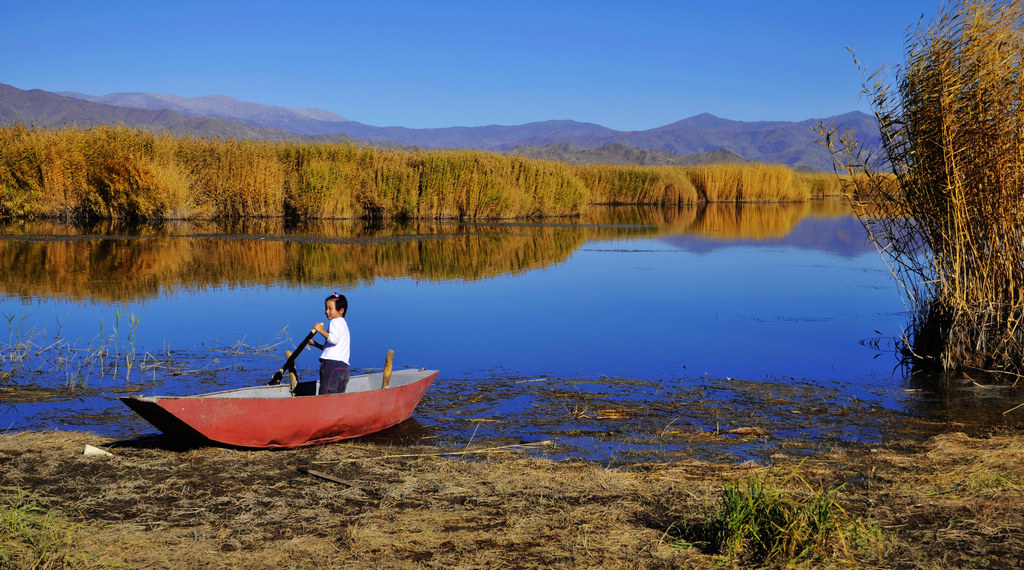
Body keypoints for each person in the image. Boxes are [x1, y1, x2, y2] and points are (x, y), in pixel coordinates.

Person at [311, 292, 350, 395]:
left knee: (326, 394)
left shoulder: (335, 322)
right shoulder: (343, 324)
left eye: (330, 309)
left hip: (332, 366)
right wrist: (315, 344)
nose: (326, 311)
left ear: (341, 311)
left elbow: (333, 340)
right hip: (343, 368)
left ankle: (323, 411)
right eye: (326, 308)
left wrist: (320, 330)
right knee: (338, 397)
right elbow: (331, 348)